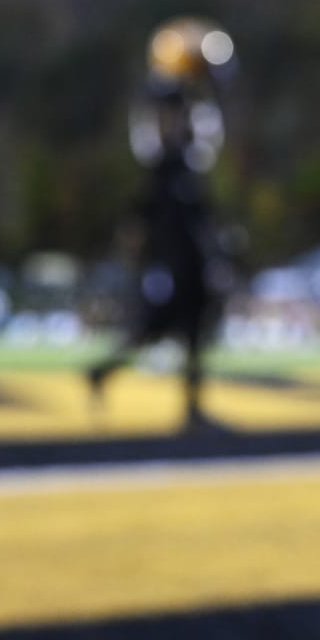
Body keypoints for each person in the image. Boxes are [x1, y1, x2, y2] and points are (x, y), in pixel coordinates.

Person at [87, 80, 219, 426]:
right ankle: (102, 372)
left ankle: (191, 405)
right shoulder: (161, 167)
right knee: (150, 332)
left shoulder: (188, 163)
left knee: (193, 336)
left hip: (191, 265)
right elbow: (141, 217)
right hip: (169, 265)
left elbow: (201, 218)